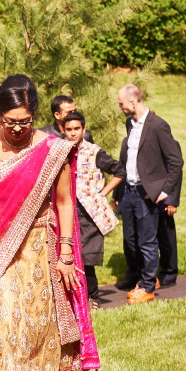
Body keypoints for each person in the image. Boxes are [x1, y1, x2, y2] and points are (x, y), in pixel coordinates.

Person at [0, 75, 99, 371]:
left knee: (31, 323)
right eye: (10, 122)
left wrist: (66, 254)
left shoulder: (53, 150)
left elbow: (66, 203)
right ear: (0, 116)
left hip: (37, 245)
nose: (18, 129)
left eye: (25, 122)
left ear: (35, 115)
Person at [114, 84, 184, 304]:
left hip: (146, 194)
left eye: (121, 103)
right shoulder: (130, 123)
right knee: (131, 241)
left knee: (147, 242)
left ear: (133, 103)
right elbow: (131, 159)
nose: (119, 106)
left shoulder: (158, 125)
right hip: (129, 192)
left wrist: (164, 191)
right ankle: (144, 279)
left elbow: (176, 161)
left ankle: (147, 288)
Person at [62, 111, 125, 309]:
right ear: (63, 130)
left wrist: (103, 192)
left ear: (84, 129)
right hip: (68, 210)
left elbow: (120, 170)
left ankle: (92, 297)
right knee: (69, 256)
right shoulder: (61, 152)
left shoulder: (94, 152)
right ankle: (70, 299)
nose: (73, 133)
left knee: (87, 258)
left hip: (90, 213)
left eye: (76, 129)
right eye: (69, 129)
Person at [157, 173, 182, 288]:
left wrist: (171, 200)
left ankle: (169, 274)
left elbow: (175, 168)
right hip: (142, 193)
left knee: (165, 234)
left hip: (163, 196)